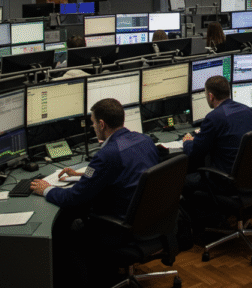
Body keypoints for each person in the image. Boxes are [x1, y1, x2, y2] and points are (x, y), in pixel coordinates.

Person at [30, 98, 159, 288]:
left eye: (92, 123)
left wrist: (46, 189)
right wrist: (84, 173)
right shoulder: (144, 140)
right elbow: (125, 171)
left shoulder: (107, 154)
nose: (93, 127)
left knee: (66, 231)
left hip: (120, 229)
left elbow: (74, 198)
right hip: (151, 222)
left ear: (101, 124)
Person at [181, 75, 252, 193]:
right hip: (251, 176)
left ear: (211, 96)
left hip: (226, 181)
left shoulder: (214, 118)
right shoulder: (247, 110)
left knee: (182, 181)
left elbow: (193, 153)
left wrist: (187, 141)